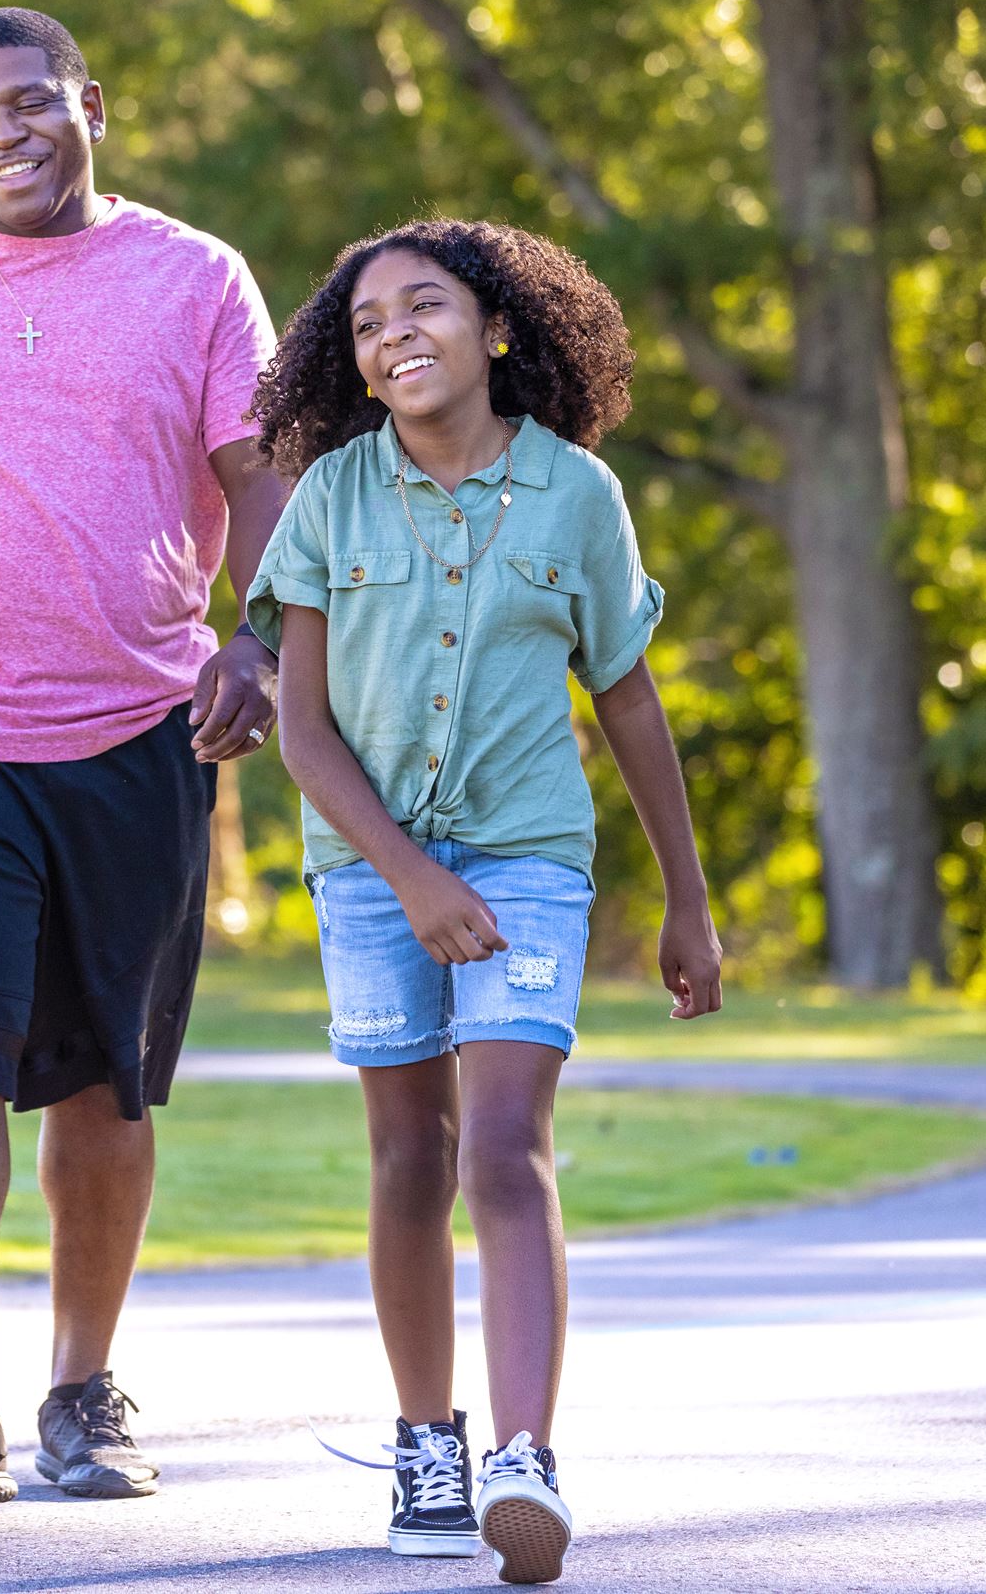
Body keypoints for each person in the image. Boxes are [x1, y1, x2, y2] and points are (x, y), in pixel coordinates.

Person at [0, 7, 288, 1508]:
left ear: (91, 102)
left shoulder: (198, 275)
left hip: (144, 727)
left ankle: (85, 1388)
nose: (1, 135)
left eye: (29, 104)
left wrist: (262, 639)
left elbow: (258, 482)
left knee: (111, 1079)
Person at [244, 218, 723, 1584]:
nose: (393, 333)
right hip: (368, 868)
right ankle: (425, 1440)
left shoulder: (577, 494)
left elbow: (626, 698)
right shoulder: (331, 495)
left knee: (504, 1146)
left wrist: (686, 903)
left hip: (528, 859)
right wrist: (410, 875)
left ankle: (525, 1451)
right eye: (366, 323)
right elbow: (305, 732)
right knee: (408, 1155)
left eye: (423, 305)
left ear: (499, 325)